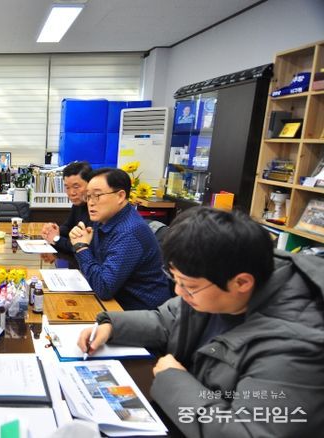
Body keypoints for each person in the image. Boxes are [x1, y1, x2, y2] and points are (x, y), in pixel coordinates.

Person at [78, 207, 324, 437]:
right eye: (175, 279)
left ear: (241, 283)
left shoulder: (296, 347)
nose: (178, 291)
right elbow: (168, 320)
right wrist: (112, 326)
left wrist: (173, 380)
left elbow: (247, 432)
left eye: (189, 286)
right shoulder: (216, 279)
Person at [69, 167, 171, 310]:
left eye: (97, 195)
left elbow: (104, 287)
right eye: (88, 196)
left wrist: (81, 247)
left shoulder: (129, 231)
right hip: (116, 302)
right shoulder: (104, 220)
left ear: (120, 196)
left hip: (141, 312)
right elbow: (97, 267)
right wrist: (83, 242)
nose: (90, 202)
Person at [40, 161, 92, 253]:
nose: (72, 193)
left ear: (90, 184)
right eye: (67, 187)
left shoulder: (96, 209)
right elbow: (68, 226)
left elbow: (79, 246)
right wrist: (54, 230)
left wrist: (56, 239)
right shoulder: (78, 204)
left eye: (76, 187)